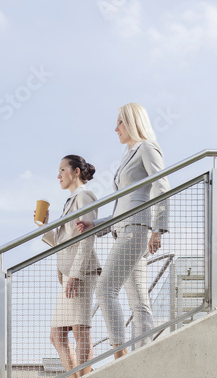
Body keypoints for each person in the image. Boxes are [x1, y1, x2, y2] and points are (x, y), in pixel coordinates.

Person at [76, 103, 170, 359]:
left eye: (119, 122)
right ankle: (146, 355)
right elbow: (122, 206)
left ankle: (121, 354)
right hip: (125, 228)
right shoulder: (128, 155)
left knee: (105, 290)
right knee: (139, 302)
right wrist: (97, 225)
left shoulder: (147, 147)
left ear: (132, 122)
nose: (115, 128)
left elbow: (161, 185)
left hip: (135, 229)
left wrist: (158, 228)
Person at [38, 155, 100, 378]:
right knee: (57, 335)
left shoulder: (85, 196)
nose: (58, 175)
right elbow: (63, 243)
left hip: (80, 273)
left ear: (75, 172)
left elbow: (87, 237)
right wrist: (45, 228)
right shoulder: (70, 201)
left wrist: (75, 274)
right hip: (68, 275)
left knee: (80, 329)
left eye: (62, 169)